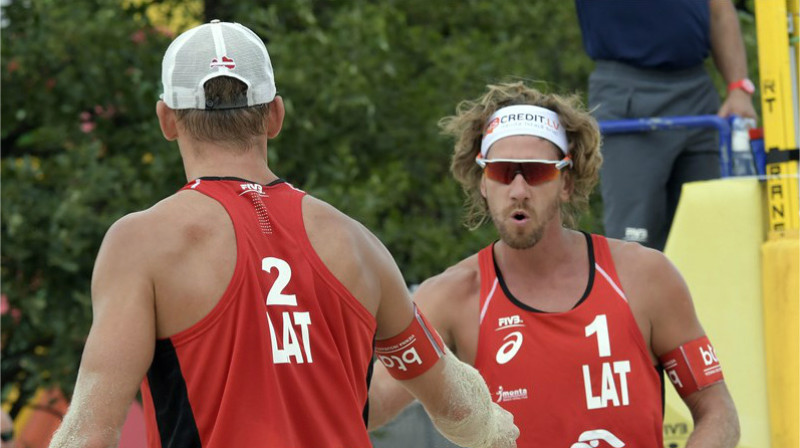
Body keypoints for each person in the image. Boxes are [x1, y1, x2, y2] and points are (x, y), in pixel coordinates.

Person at [47, 20, 518, 448]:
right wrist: (502, 429)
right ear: (275, 115)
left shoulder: (143, 243)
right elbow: (461, 410)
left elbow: (88, 433)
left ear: (167, 120)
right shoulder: (357, 243)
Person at [367, 82, 740, 447]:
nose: (517, 190)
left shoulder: (645, 277)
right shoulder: (450, 296)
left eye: (536, 171)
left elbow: (716, 408)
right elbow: (372, 403)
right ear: (483, 182)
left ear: (565, 182)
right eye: (500, 171)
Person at [575, 0, 758, 251]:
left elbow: (719, 9)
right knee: (634, 240)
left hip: (697, 93)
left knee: (713, 233)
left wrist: (739, 88)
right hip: (626, 91)